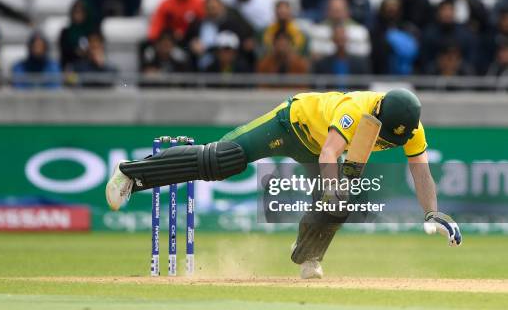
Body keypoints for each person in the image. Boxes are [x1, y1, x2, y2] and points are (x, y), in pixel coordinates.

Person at [106, 88, 462, 279]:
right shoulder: (356, 109)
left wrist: (432, 213)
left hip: (317, 149)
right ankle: (134, 173)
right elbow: (328, 154)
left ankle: (308, 257)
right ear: (379, 113)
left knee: (342, 202)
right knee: (221, 161)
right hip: (291, 125)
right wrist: (331, 189)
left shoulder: (411, 128)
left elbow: (421, 170)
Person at [183, 0, 256, 70]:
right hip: (198, 66)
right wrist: (191, 46)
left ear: (222, 7)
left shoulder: (232, 25)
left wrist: (207, 50)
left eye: (214, 8)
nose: (212, 11)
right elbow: (185, 44)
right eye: (209, 8)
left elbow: (241, 46)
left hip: (223, 68)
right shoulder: (197, 25)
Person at [420, 0, 476, 71]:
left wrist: (456, 63)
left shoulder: (465, 34)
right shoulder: (428, 34)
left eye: (450, 10)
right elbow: (425, 59)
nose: (447, 13)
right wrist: (442, 63)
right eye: (444, 10)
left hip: (460, 71)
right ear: (438, 13)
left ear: (454, 12)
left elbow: (471, 58)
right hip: (435, 72)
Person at [370, 0, 419, 75]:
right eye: (388, 6)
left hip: (406, 74)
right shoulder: (375, 30)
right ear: (383, 9)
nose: (391, 9)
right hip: (381, 74)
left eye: (394, 6)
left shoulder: (408, 28)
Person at [59, 0, 99, 70]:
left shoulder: (92, 32)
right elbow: (64, 53)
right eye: (76, 12)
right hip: (72, 67)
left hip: (90, 66)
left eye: (81, 12)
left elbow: (97, 49)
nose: (78, 15)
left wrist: (88, 52)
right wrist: (76, 52)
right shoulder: (65, 33)